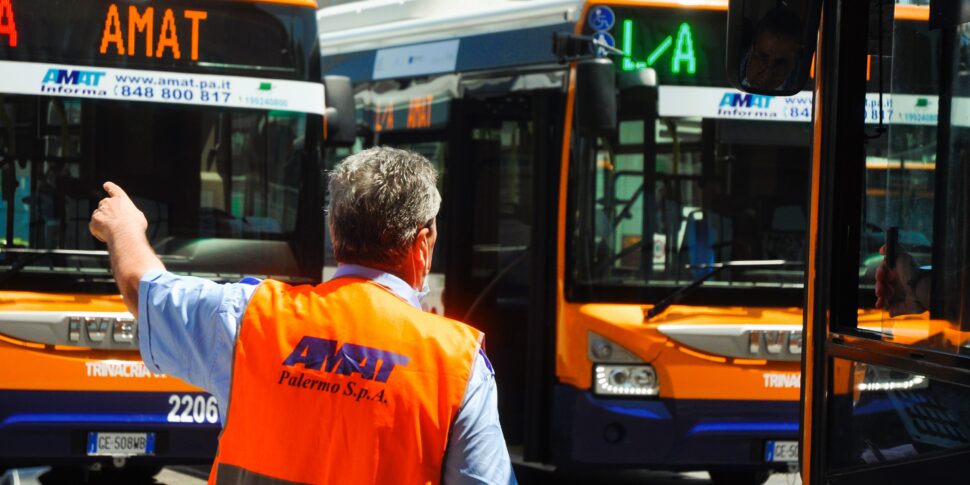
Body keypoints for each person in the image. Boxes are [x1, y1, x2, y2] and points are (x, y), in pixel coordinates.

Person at [89, 146, 516, 484]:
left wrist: (124, 227)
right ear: (422, 245)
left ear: (334, 232)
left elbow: (142, 290)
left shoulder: (251, 318)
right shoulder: (458, 366)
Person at [742, 5, 804, 91]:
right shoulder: (727, 70)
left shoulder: (804, 88)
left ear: (794, 63)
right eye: (762, 57)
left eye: (780, 63)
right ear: (751, 50)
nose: (766, 76)